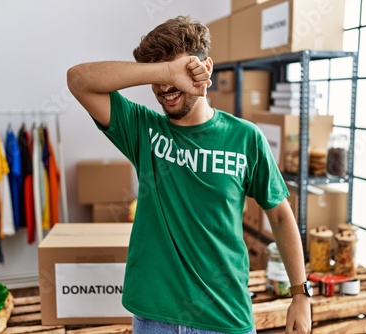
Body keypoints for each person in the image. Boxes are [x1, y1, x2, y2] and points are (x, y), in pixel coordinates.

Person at [67, 15, 311, 334]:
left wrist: (300, 294)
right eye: (159, 77)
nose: (165, 89)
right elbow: (78, 80)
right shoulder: (144, 130)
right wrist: (166, 71)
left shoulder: (246, 138)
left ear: (204, 68)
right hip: (156, 320)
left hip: (225, 318)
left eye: (177, 72)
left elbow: (279, 216)